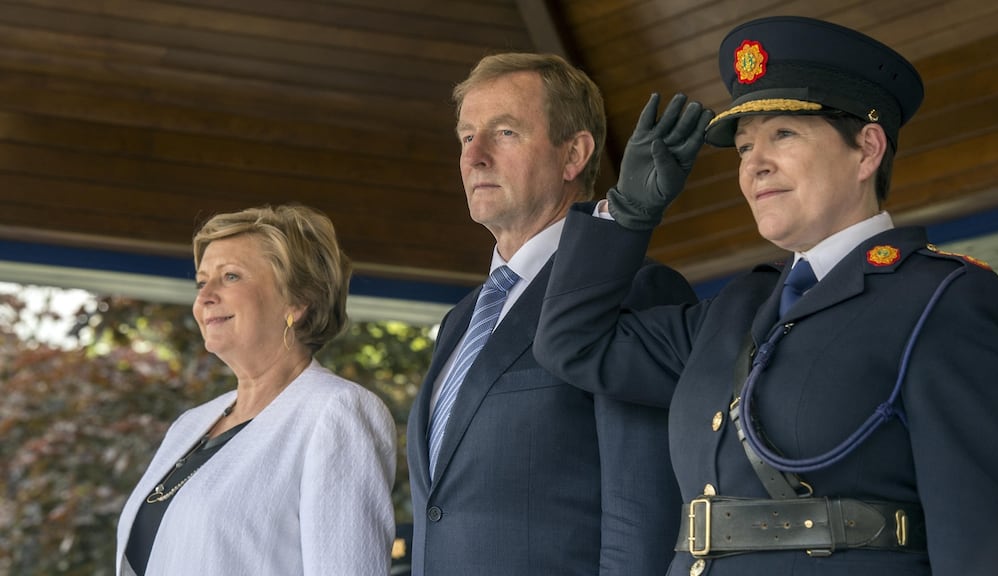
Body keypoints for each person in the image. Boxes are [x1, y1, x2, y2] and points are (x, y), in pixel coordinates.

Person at [534, 15, 998, 576]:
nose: (755, 165)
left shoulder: (942, 298)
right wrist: (628, 212)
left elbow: (986, 540)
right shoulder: (736, 308)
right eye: (744, 147)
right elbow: (572, 343)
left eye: (783, 135)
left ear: (867, 149)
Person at [405, 52, 696, 576]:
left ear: (574, 155)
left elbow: (643, 516)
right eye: (466, 137)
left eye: (505, 133)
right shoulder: (461, 319)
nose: (475, 157)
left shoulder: (634, 287)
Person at [115, 204, 397, 576]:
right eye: (202, 282)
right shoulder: (190, 424)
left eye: (230, 276)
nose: (205, 296)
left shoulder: (337, 411)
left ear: (297, 300)